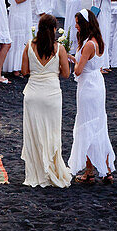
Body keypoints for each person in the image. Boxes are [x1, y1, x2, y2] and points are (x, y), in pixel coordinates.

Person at [21, 14, 72, 188]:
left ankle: (37, 171)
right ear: (54, 29)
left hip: (33, 95)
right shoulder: (59, 49)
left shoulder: (29, 45)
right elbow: (66, 74)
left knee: (34, 135)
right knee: (52, 133)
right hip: (51, 95)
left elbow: (24, 71)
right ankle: (51, 169)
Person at [68, 11, 116, 184]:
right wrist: (72, 57)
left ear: (85, 24)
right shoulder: (98, 41)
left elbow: (79, 71)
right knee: (98, 125)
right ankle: (106, 169)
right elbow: (88, 64)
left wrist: (73, 64)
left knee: (86, 125)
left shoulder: (88, 44)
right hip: (97, 83)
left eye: (78, 23)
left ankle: (89, 171)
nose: (76, 26)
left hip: (87, 86)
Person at [6, 0, 39, 77]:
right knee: (18, 40)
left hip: (25, 12)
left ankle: (22, 66)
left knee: (25, 38)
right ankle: (15, 67)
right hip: (18, 14)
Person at [90, 0, 117, 72]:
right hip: (100, 12)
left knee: (105, 37)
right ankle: (98, 65)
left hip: (106, 10)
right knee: (101, 37)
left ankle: (104, 64)